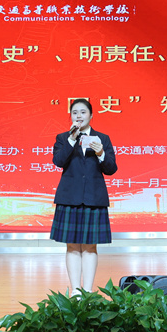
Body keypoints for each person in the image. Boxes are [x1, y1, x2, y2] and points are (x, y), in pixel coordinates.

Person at [50, 98, 117, 295]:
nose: (79, 116)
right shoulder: (63, 138)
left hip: (94, 198)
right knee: (72, 246)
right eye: (75, 112)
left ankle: (87, 291)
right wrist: (72, 140)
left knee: (90, 247)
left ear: (91, 115)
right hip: (69, 197)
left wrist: (101, 152)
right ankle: (75, 291)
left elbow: (111, 169)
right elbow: (58, 161)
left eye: (83, 112)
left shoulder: (102, 138)